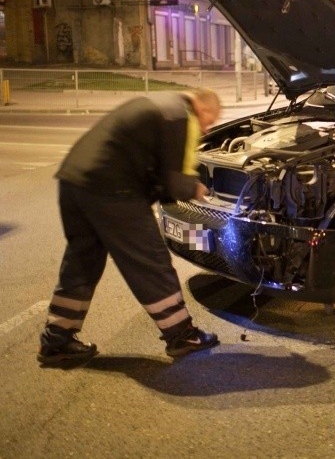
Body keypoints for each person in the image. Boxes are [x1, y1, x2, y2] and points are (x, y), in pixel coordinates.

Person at [37, 88, 222, 366]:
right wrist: (195, 187)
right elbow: (175, 181)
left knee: (82, 260)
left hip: (74, 180)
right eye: (210, 121)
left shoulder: (162, 104)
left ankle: (56, 340)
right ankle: (182, 335)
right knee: (150, 260)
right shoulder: (181, 116)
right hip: (112, 190)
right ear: (203, 110)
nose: (207, 128)